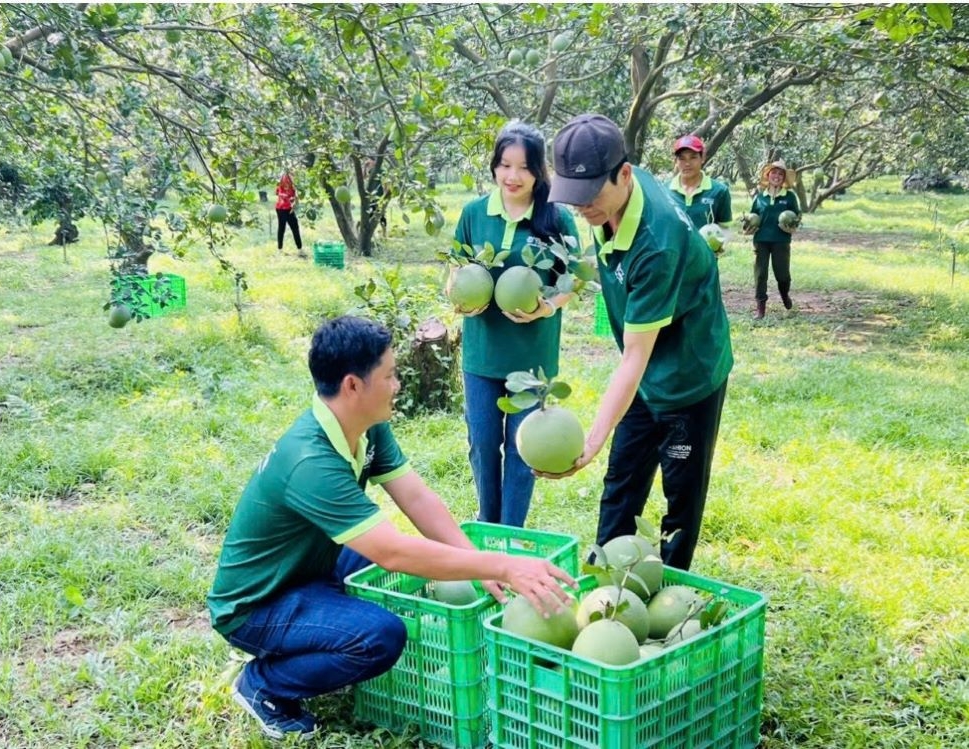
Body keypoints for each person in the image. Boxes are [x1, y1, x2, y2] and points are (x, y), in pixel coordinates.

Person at [206, 315, 575, 741]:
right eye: (390, 375)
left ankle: (323, 627)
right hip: (257, 604)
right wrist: (507, 566)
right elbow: (393, 553)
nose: (398, 384)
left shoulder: (365, 426)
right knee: (380, 636)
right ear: (352, 385)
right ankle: (263, 685)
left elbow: (415, 497)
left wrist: (481, 565)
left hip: (308, 565)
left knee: (385, 557)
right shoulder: (310, 461)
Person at [543, 114, 733, 571]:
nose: (581, 208)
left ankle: (669, 590)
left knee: (680, 487)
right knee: (622, 479)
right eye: (573, 197)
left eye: (589, 197)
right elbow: (602, 257)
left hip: (688, 378)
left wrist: (590, 440)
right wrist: (553, 299)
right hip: (644, 376)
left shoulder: (656, 243)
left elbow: (634, 356)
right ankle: (606, 579)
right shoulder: (613, 195)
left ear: (623, 175)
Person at [452, 121, 581, 527]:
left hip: (532, 358)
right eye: (504, 165)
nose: (512, 176)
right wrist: (458, 297)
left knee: (525, 452)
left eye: (523, 167)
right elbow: (455, 269)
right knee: (483, 446)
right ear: (494, 166)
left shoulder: (555, 218)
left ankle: (511, 533)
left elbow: (573, 276)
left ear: (538, 171)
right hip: (482, 354)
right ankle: (488, 529)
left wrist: (549, 307)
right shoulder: (475, 213)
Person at [748, 160, 800, 319]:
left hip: (781, 240)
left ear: (784, 178)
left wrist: (791, 228)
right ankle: (760, 308)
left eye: (780, 174)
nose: (776, 176)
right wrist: (748, 227)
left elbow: (797, 218)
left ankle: (785, 295)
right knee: (760, 273)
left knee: (782, 274)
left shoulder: (789, 197)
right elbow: (752, 217)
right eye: (774, 173)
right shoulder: (759, 197)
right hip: (761, 239)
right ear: (768, 175)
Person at [666, 134, 733, 230]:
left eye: (693, 157)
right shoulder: (664, 191)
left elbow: (724, 228)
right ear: (675, 161)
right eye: (682, 158)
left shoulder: (719, 191)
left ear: (702, 158)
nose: (687, 163)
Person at [275, 171, 304, 254]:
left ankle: (281, 249)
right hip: (284, 209)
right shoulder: (288, 184)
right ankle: (299, 249)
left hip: (283, 208)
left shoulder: (284, 182)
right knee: (290, 228)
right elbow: (278, 192)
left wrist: (293, 202)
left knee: (285, 228)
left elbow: (277, 192)